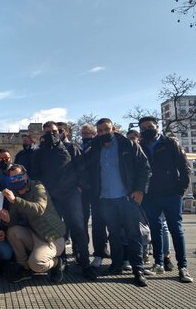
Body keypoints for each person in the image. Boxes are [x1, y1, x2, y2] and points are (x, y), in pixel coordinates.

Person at [85, 118, 151, 287]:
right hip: (105, 199)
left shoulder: (127, 144)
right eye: (100, 131)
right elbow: (87, 169)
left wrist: (139, 190)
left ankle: (138, 270)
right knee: (113, 234)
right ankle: (116, 265)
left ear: (113, 128)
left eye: (106, 129)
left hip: (127, 198)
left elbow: (144, 167)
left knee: (133, 234)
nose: (103, 133)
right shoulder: (94, 148)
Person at [32, 121, 97, 281]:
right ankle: (59, 263)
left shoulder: (71, 148)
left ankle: (84, 263)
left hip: (71, 195)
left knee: (78, 228)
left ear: (62, 132)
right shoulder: (39, 153)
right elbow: (35, 174)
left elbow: (82, 167)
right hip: (51, 197)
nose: (51, 134)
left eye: (54, 131)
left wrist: (80, 187)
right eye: (47, 132)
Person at [138, 116, 193, 283]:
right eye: (144, 127)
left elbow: (184, 168)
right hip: (150, 196)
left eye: (150, 126)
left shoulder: (170, 143)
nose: (147, 129)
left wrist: (180, 190)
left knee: (176, 229)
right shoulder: (139, 146)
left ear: (157, 127)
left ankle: (183, 267)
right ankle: (158, 264)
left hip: (171, 194)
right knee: (155, 230)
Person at [0, 164, 67, 283]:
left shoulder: (38, 187)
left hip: (51, 237)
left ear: (25, 175)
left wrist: (15, 200)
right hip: (34, 234)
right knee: (12, 231)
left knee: (37, 264)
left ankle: (56, 263)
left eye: (19, 176)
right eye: (13, 178)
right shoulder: (15, 194)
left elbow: (38, 209)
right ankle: (24, 268)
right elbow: (14, 220)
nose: (16, 180)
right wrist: (7, 219)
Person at [79, 124, 110, 268]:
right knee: (83, 220)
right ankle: (82, 250)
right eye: (83, 133)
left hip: (98, 188)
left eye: (87, 133)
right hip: (84, 189)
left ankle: (101, 250)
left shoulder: (98, 145)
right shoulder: (79, 147)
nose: (84, 136)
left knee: (99, 221)